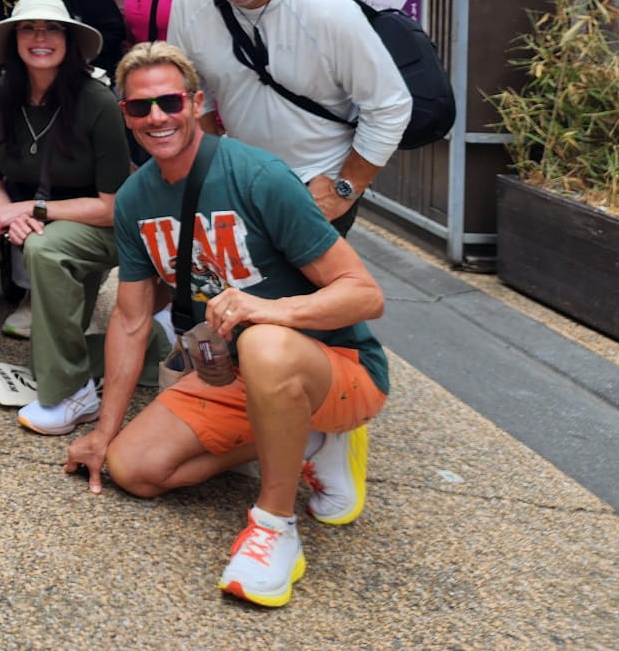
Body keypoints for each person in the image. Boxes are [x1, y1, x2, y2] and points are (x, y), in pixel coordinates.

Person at [63, 42, 389, 609]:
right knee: (132, 470)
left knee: (262, 341)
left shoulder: (257, 174)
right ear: (126, 116)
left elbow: (365, 295)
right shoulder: (137, 199)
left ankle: (274, 527)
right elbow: (132, 318)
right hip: (241, 373)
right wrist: (104, 430)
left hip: (335, 366)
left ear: (194, 103)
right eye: (141, 108)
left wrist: (270, 310)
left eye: (169, 101)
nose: (156, 117)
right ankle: (305, 438)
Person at [0, 0, 161, 432]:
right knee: (43, 342)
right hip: (42, 219)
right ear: (13, 39)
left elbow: (113, 205)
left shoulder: (98, 101)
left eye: (52, 28)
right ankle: (150, 346)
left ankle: (70, 394)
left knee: (44, 250)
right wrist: (9, 217)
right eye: (28, 28)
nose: (40, 38)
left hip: (107, 223)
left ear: (69, 40)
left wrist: (32, 211)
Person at [168, 0, 410, 235]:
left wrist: (344, 190)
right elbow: (192, 89)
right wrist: (212, 165)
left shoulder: (326, 10)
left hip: (314, 182)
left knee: (301, 287)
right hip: (240, 178)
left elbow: (390, 105)